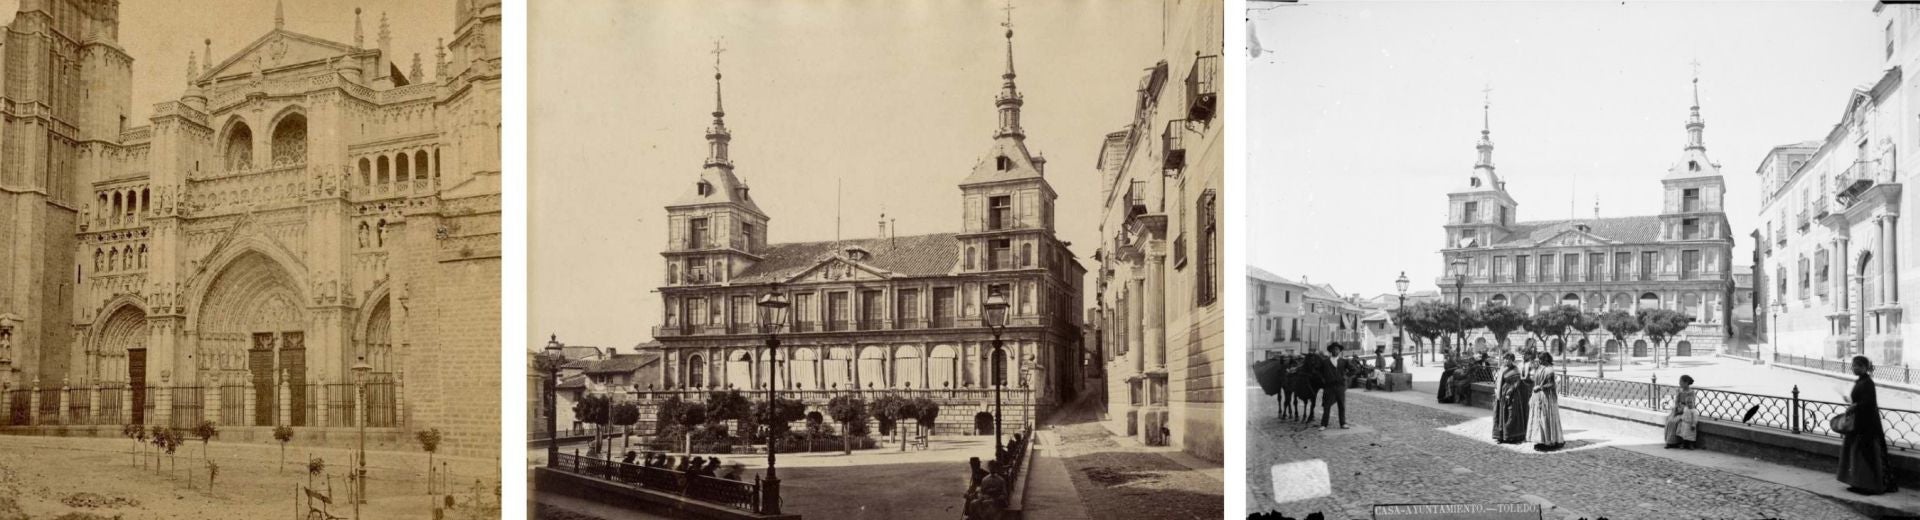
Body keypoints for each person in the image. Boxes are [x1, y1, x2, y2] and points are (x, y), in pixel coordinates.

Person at [1839, 356, 1898, 495]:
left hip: (1867, 425)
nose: (1854, 368)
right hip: (1859, 423)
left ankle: (1870, 486)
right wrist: (1851, 401)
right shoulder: (1861, 381)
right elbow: (1860, 400)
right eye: (1853, 365)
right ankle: (1858, 483)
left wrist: (1854, 406)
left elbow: (1868, 403)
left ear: (1866, 367)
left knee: (1868, 455)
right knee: (1857, 455)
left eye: (1858, 366)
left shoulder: (1868, 383)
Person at [1527, 353, 1566, 452]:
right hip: (1538, 396)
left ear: (1547, 358)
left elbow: (1552, 384)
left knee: (1546, 418)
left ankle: (1549, 441)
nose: (1540, 361)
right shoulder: (1539, 368)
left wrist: (1540, 387)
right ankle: (1541, 440)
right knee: (1539, 418)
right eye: (1539, 359)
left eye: (1542, 359)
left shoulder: (1550, 370)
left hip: (1547, 397)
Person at [1493, 353, 1530, 444]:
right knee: (1500, 414)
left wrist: (1509, 392)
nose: (1506, 361)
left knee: (1511, 415)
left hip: (1512, 395)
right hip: (1501, 395)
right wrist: (1497, 390)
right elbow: (1498, 381)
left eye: (1508, 359)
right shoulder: (1502, 368)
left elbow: (1517, 382)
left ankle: (1511, 436)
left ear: (1512, 360)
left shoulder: (1516, 369)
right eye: (1505, 359)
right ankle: (1501, 436)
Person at [1319, 343, 1350, 430]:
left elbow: (1354, 369)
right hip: (1329, 387)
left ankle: (1343, 423)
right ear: (1330, 351)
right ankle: (1324, 424)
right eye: (1334, 349)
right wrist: (1323, 379)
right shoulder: (1325, 362)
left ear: (1339, 351)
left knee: (1341, 405)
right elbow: (1319, 372)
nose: (1335, 351)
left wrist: (1346, 376)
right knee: (1326, 405)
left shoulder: (1344, 361)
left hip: (1340, 386)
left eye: (1337, 349)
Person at [1664, 375, 1699, 450]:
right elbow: (1676, 401)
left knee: (1676, 422)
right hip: (1678, 409)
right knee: (1670, 420)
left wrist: (1683, 409)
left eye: (1681, 382)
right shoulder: (1679, 391)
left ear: (1686, 383)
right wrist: (1677, 408)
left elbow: (1691, 403)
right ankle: (1669, 442)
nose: (1679, 383)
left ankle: (1676, 442)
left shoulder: (1691, 392)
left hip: (1687, 412)